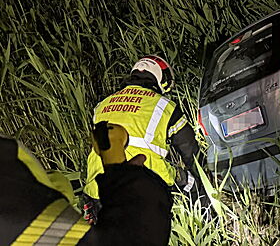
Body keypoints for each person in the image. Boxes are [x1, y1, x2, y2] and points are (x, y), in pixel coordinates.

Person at [0, 122, 172, 245]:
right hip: (115, 187)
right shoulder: (9, 157)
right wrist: (133, 187)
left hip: (93, 191)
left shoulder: (103, 105)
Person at [83, 55, 200, 223]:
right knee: (191, 183)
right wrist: (200, 171)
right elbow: (189, 149)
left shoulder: (102, 105)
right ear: (162, 79)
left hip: (97, 189)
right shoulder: (164, 106)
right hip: (139, 188)